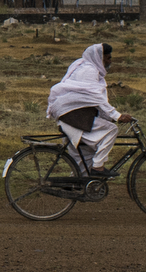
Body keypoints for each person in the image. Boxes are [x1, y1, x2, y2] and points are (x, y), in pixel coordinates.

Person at [45, 42, 128, 178]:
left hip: (70, 115)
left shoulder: (82, 67)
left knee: (87, 154)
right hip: (73, 115)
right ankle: (98, 167)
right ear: (99, 58)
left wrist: (109, 116)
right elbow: (95, 97)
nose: (110, 61)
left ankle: (77, 185)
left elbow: (88, 98)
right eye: (107, 58)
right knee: (111, 130)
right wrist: (117, 116)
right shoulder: (89, 71)